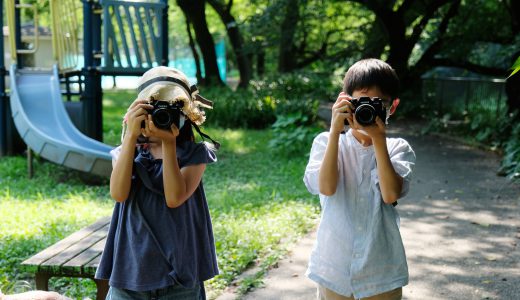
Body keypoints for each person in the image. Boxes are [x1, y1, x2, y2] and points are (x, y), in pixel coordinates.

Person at [95, 66, 220, 300]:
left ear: (185, 114)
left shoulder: (195, 154)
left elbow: (174, 198)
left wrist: (168, 145)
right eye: (154, 108)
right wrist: (131, 136)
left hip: (180, 277)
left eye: (172, 108)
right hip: (131, 273)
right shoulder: (126, 153)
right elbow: (119, 193)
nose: (161, 115)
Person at [303, 58, 416, 300]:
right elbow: (326, 187)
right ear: (345, 101)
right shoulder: (326, 142)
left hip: (381, 272)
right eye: (360, 102)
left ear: (392, 107)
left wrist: (378, 140)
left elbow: (390, 194)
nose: (368, 110)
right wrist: (335, 131)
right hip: (334, 267)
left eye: (378, 104)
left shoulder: (397, 147)